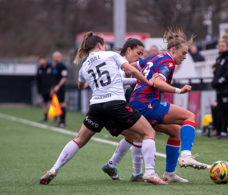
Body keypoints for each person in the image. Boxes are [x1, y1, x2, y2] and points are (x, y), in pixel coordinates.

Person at [39, 31, 167, 186]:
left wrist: (89, 82)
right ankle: (150, 173)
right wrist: (148, 82)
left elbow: (81, 85)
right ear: (100, 45)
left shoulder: (84, 65)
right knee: (149, 132)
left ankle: (54, 169)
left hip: (96, 107)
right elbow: (132, 71)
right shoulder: (111, 55)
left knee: (79, 140)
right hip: (115, 104)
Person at [103, 27, 207, 184]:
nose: (185, 57)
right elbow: (158, 83)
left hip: (136, 103)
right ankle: (185, 155)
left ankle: (169, 174)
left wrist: (125, 76)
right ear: (173, 49)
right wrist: (180, 90)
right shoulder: (168, 62)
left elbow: (133, 66)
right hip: (147, 103)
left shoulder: (156, 58)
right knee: (189, 116)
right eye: (183, 53)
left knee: (175, 132)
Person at [101, 38, 146, 182]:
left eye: (142, 54)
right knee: (139, 136)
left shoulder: (124, 66)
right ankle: (137, 174)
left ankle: (111, 165)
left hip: (109, 108)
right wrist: (143, 80)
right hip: (108, 108)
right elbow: (117, 79)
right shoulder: (117, 63)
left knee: (133, 136)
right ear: (128, 50)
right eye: (138, 53)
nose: (140, 57)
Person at [211, 33, 228, 139]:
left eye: (223, 46)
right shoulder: (219, 59)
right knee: (221, 110)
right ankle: (223, 131)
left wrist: (218, 82)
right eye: (220, 46)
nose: (221, 48)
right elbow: (217, 73)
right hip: (220, 90)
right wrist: (215, 82)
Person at [51, 51, 68, 127]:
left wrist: (58, 86)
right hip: (55, 88)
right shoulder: (55, 66)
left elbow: (64, 78)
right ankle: (60, 121)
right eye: (53, 57)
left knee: (62, 103)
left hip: (60, 88)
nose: (54, 58)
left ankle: (63, 122)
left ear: (59, 57)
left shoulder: (62, 66)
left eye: (55, 57)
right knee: (57, 104)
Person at [36, 56, 53, 122]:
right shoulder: (39, 69)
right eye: (39, 61)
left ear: (45, 60)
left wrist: (52, 88)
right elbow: (38, 81)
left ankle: (55, 117)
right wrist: (39, 91)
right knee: (45, 103)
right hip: (43, 90)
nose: (40, 62)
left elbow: (53, 78)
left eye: (41, 60)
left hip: (50, 89)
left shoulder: (50, 67)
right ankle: (45, 118)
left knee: (53, 103)